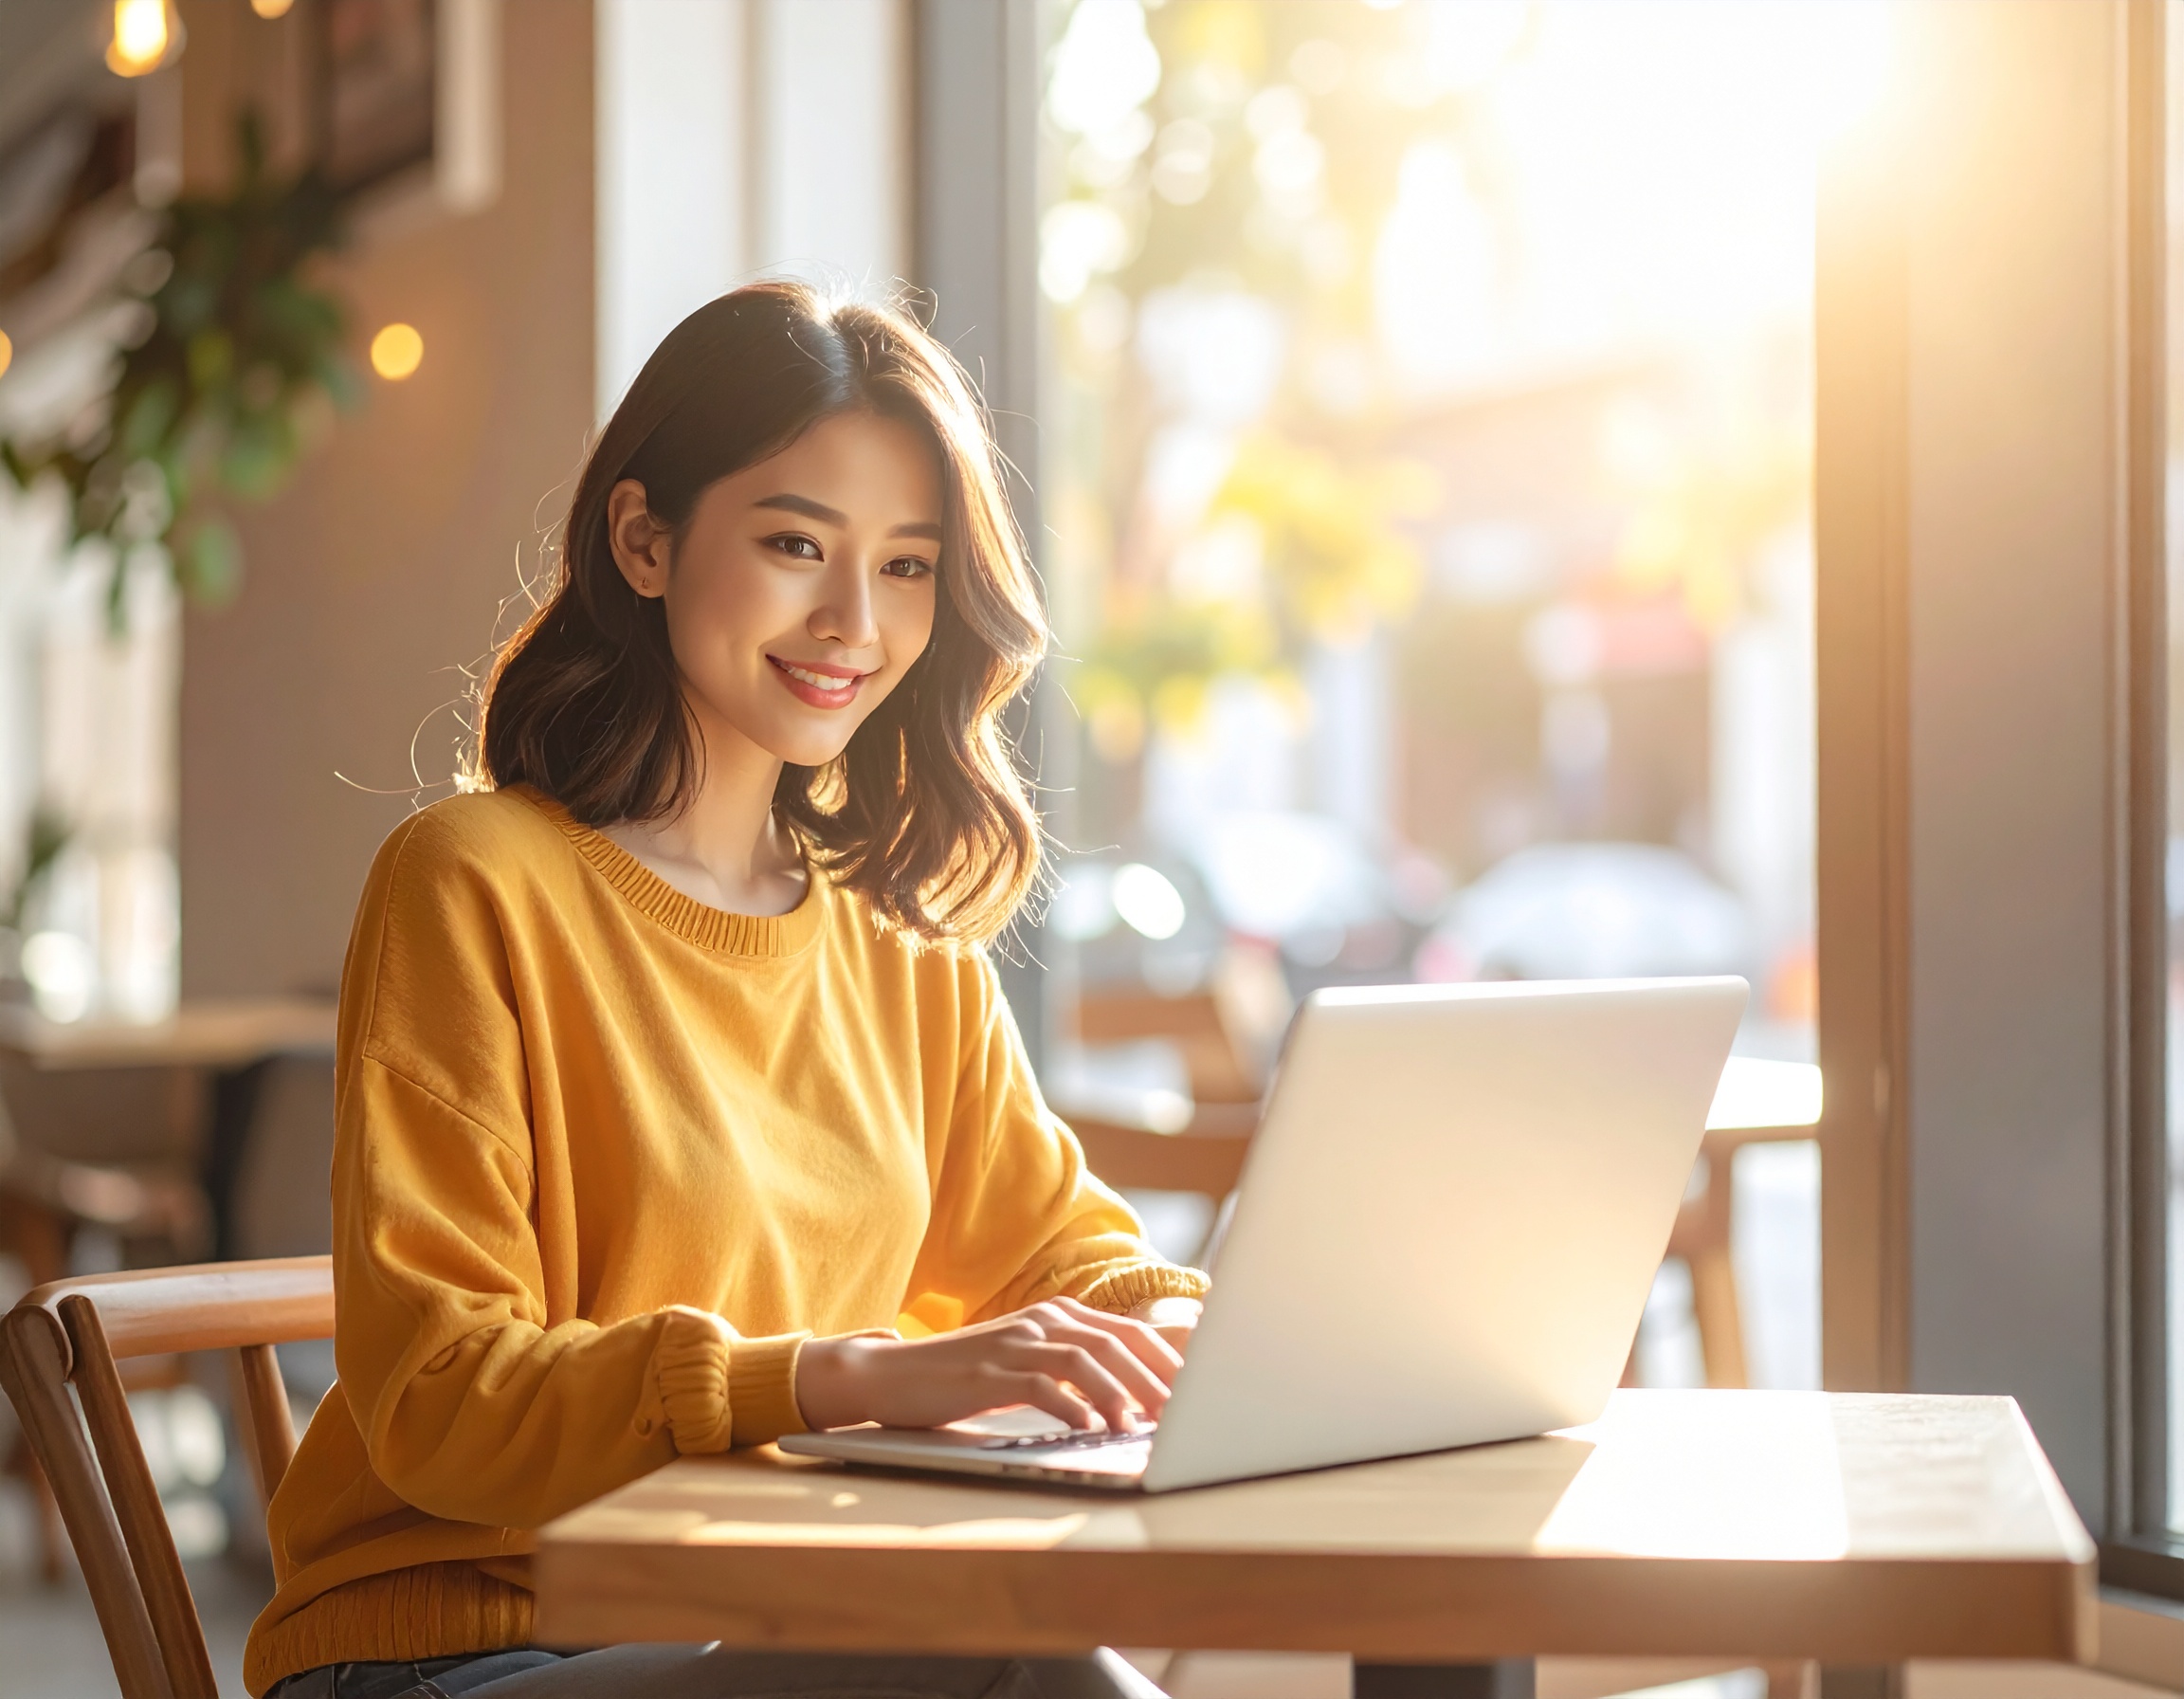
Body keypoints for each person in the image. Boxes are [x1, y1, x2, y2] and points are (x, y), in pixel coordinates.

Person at [247, 283, 1210, 1699]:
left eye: (906, 566)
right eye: (792, 543)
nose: (851, 621)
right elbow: (438, 1399)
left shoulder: (898, 934)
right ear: (644, 540)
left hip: (749, 1625)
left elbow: (1063, 1253)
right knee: (1022, 1674)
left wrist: (1188, 1334)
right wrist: (835, 1378)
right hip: (469, 1645)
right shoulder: (471, 882)